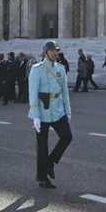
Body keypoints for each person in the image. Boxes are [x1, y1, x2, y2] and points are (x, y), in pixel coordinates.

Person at [29, 41, 73, 189]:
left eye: (56, 50)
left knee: (67, 137)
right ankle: (42, 178)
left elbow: (65, 92)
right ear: (45, 52)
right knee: (42, 146)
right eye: (52, 50)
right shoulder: (37, 69)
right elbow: (33, 94)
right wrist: (35, 115)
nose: (54, 53)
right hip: (42, 111)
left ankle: (50, 162)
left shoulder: (60, 69)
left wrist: (68, 111)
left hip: (58, 109)